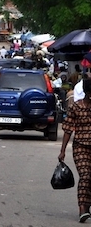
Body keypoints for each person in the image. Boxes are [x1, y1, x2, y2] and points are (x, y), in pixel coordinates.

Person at [59, 78, 91, 223]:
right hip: (81, 147)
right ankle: (82, 209)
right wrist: (63, 151)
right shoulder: (76, 107)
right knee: (85, 176)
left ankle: (87, 203)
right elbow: (67, 130)